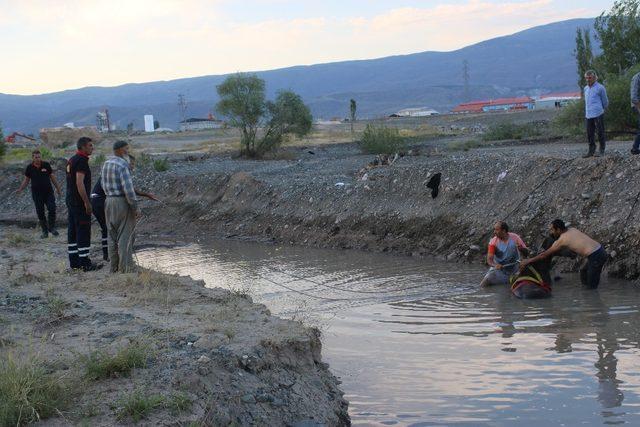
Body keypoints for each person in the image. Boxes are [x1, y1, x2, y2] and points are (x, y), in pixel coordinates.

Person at [91, 154, 157, 262]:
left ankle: (110, 258)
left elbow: (129, 188)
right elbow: (128, 191)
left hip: (96, 200)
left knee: (108, 229)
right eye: (132, 163)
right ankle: (118, 259)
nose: (133, 166)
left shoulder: (112, 170)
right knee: (112, 230)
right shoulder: (120, 170)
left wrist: (146, 194)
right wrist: (135, 208)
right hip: (101, 201)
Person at [520, 219, 607, 289]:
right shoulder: (572, 229)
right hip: (599, 250)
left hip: (596, 255)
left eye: (552, 230)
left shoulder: (562, 240)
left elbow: (544, 255)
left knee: (592, 287)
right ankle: (586, 293)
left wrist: (527, 261)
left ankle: (593, 301)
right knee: (583, 271)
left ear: (558, 229)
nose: (551, 232)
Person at [102, 141, 141, 273]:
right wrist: (135, 207)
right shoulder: (123, 165)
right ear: (118, 150)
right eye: (126, 149)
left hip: (108, 201)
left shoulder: (106, 163)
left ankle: (114, 267)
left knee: (112, 236)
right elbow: (128, 190)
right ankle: (126, 269)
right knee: (125, 236)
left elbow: (103, 184)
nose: (127, 151)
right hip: (121, 202)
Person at [66, 137, 101, 271]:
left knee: (73, 231)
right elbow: (79, 183)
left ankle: (74, 263)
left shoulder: (72, 160)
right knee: (83, 230)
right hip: (79, 202)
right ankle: (85, 263)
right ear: (83, 147)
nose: (92, 148)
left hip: (70, 200)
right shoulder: (81, 161)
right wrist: (87, 203)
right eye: (90, 146)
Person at [16, 150, 62, 238]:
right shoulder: (29, 168)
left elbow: (52, 177)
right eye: (36, 157)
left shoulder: (46, 165)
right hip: (37, 194)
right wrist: (20, 189)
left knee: (52, 208)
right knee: (40, 212)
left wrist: (58, 188)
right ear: (32, 158)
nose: (38, 159)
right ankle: (45, 232)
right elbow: (26, 180)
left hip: (48, 192)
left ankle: (52, 227)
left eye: (39, 157)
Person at [480, 221, 529, 287]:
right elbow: (489, 260)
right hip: (499, 270)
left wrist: (521, 248)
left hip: (515, 269)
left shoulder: (515, 238)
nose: (494, 232)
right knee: (485, 282)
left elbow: (526, 253)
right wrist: (495, 265)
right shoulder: (493, 242)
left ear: (503, 231)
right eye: (494, 229)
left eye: (497, 230)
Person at [583, 70, 609, 158]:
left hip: (598, 113)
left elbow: (605, 102)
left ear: (594, 78)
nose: (587, 80)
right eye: (586, 78)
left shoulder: (600, 88)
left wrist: (602, 110)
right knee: (590, 133)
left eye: (589, 78)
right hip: (588, 114)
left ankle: (602, 150)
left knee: (600, 132)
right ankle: (591, 150)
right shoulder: (585, 88)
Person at [630, 70, 640, 155]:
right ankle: (635, 148)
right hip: (638, 105)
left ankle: (635, 148)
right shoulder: (637, 77)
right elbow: (634, 97)